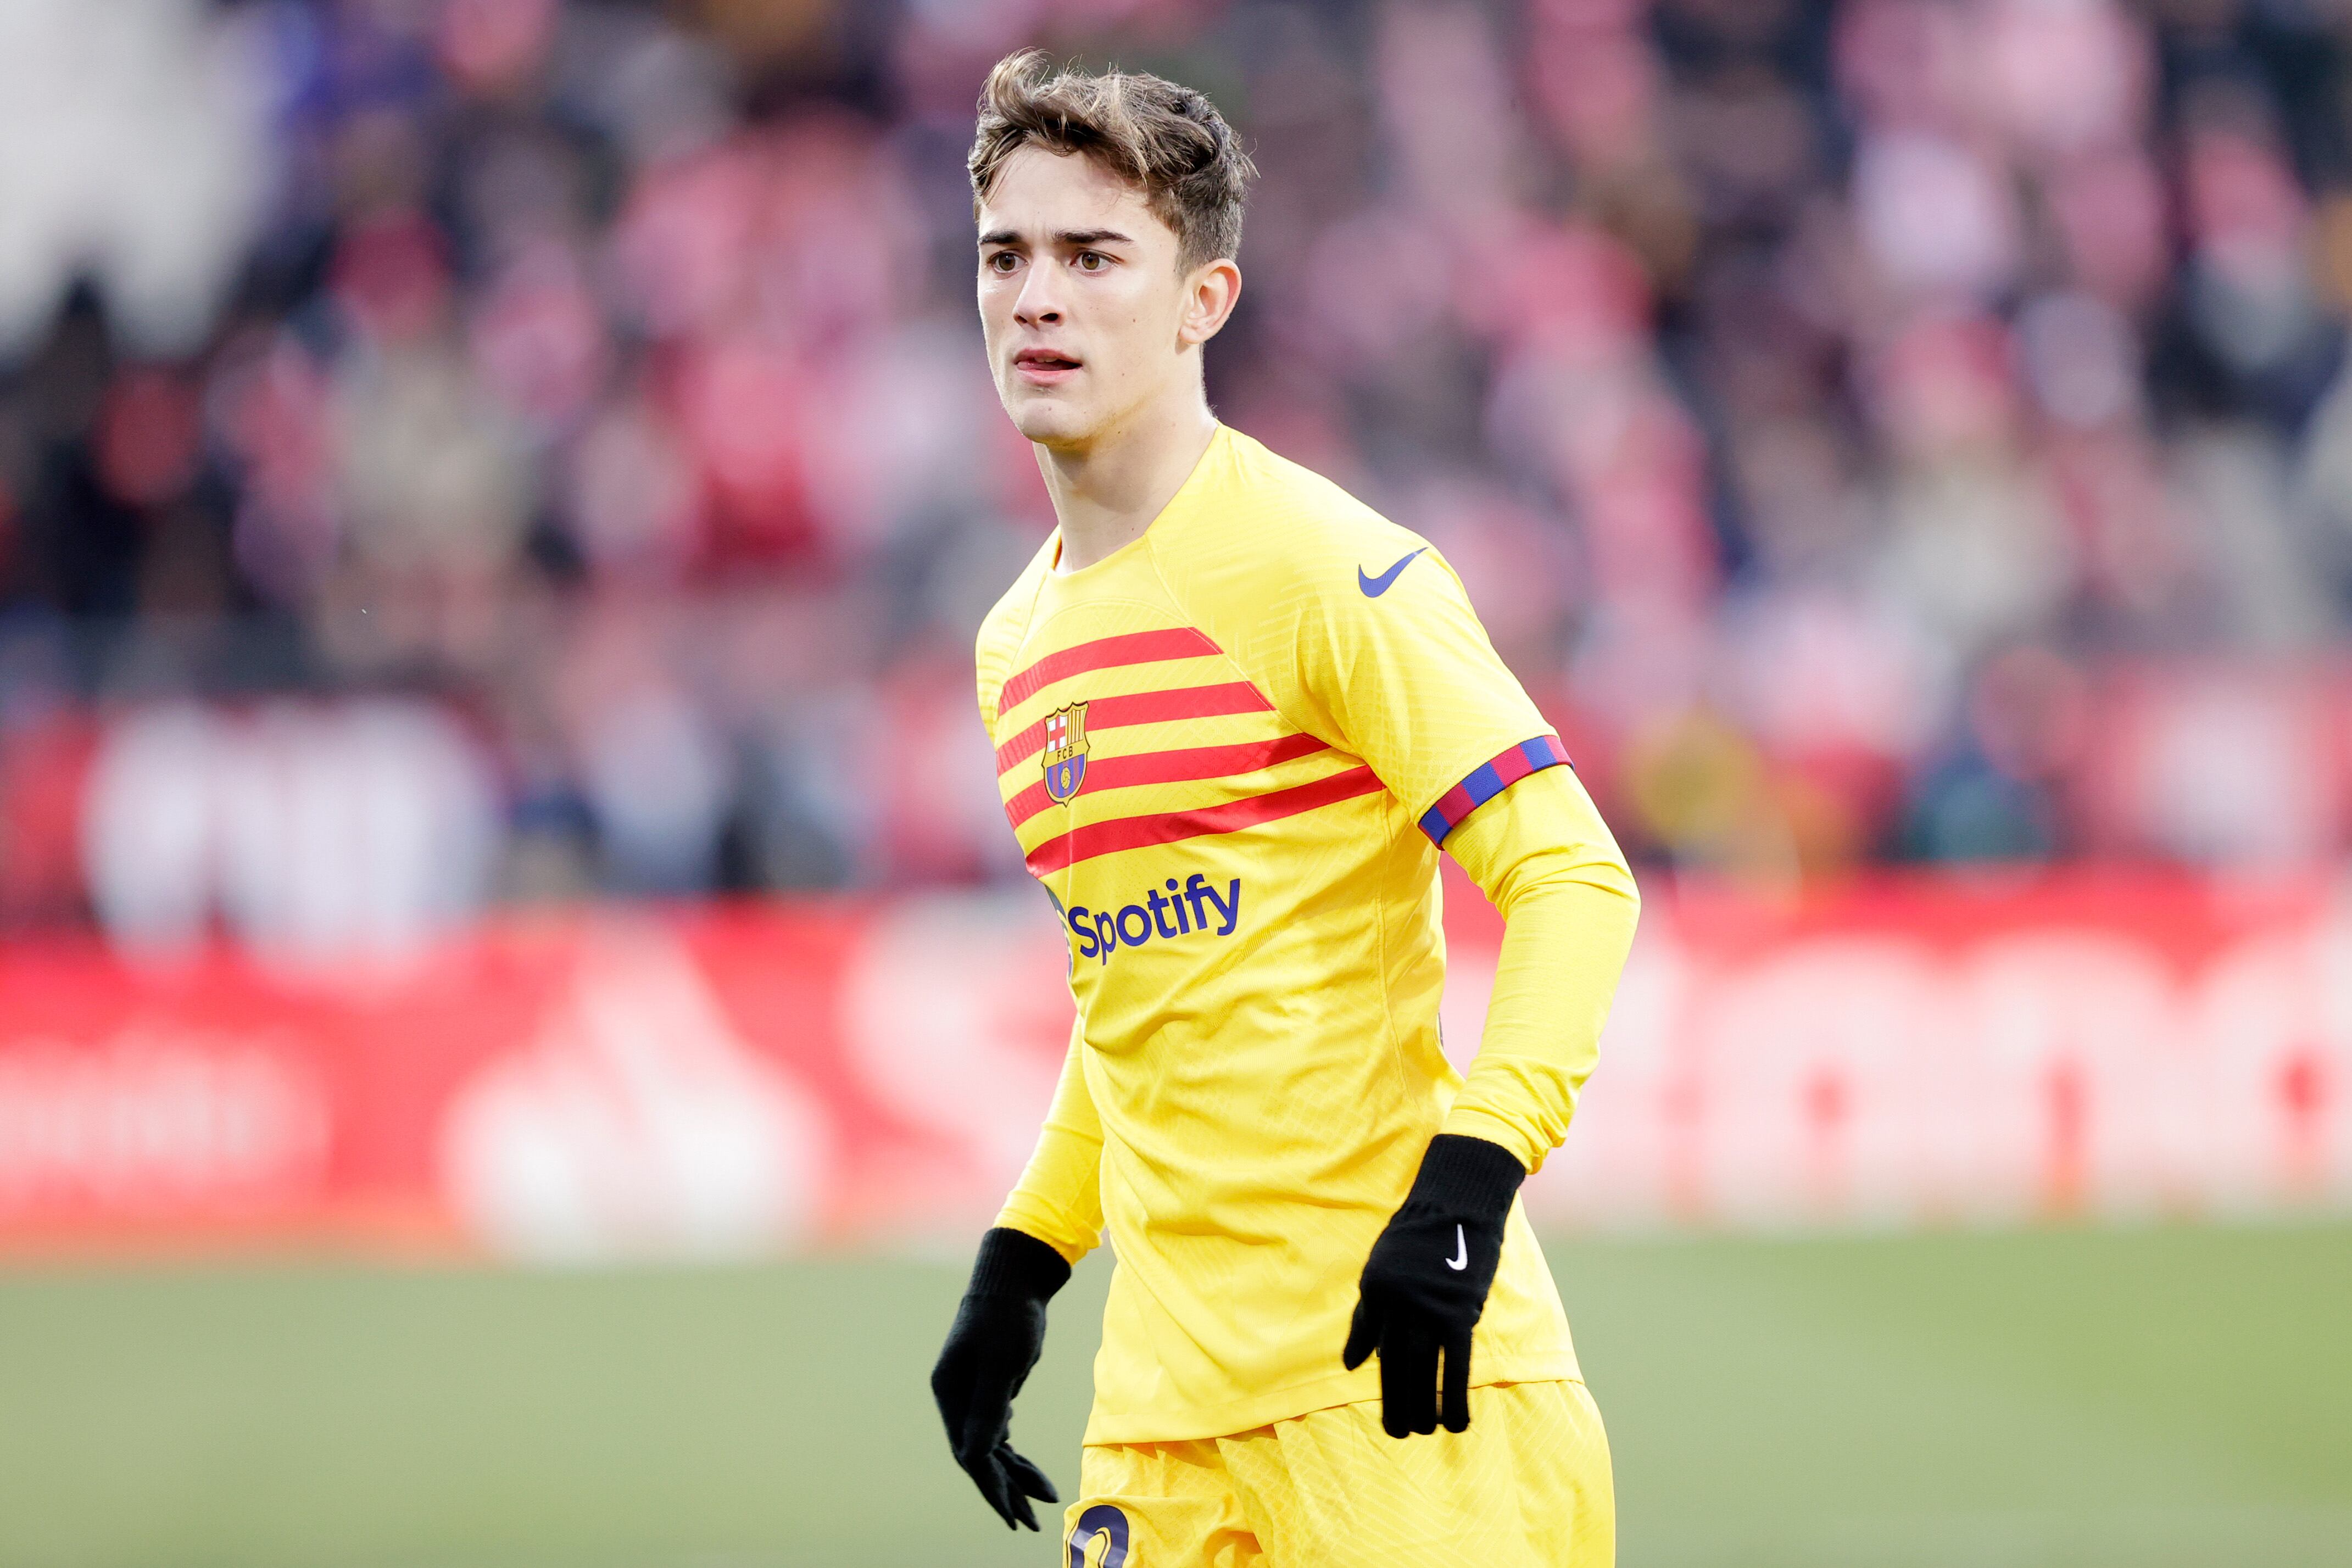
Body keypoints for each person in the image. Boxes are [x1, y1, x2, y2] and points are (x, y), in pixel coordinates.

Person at [929, 48, 1640, 1568]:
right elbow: (1138, 984)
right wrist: (1027, 1257)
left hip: (1400, 1389)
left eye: (1092, 257)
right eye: (1005, 256)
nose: (1036, 297)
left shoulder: (1323, 569)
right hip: (1163, 1415)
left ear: (1204, 300)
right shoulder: (1018, 642)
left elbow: (1573, 879)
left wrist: (1469, 1186)